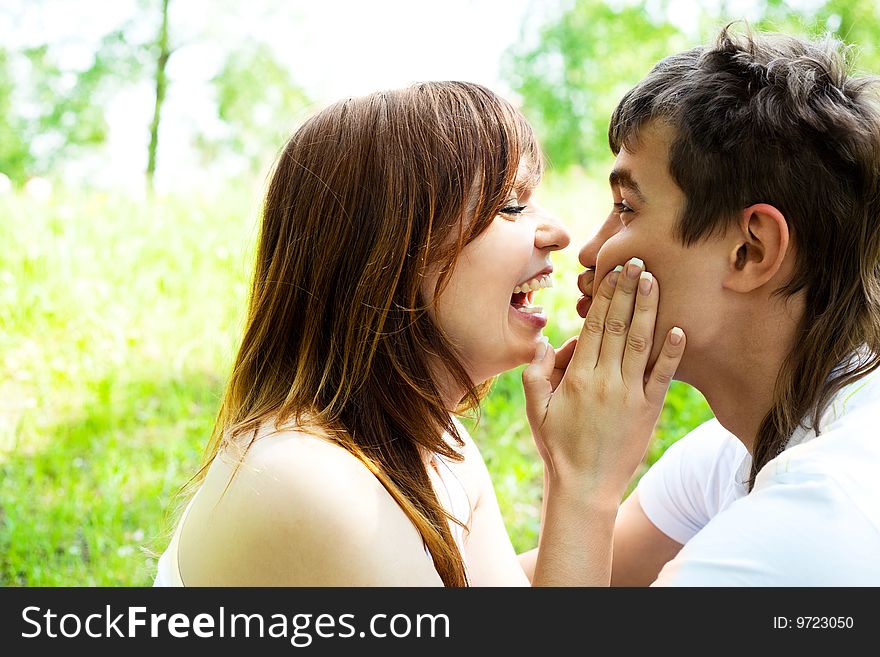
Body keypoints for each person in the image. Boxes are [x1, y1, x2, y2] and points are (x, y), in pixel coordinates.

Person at [153, 81, 686, 586]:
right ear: (387, 255)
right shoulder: (309, 481)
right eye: (510, 206)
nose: (558, 233)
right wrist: (582, 486)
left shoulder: (435, 452)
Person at [533, 25, 880, 585]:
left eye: (626, 207)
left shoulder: (814, 518)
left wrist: (581, 486)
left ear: (751, 249)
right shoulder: (736, 448)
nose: (592, 250)